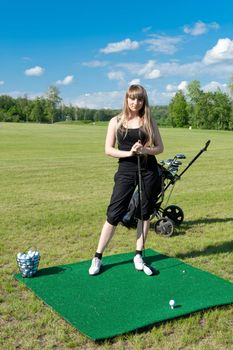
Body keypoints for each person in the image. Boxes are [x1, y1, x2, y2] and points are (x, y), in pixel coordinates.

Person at [89, 84, 164, 275]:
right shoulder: (116, 121)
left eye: (139, 99)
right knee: (114, 213)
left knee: (144, 213)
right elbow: (108, 149)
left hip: (148, 170)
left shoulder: (148, 120)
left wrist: (145, 150)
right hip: (126, 170)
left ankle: (138, 254)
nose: (135, 102)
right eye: (132, 98)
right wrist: (129, 152)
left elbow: (160, 148)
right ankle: (97, 257)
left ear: (143, 101)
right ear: (126, 98)